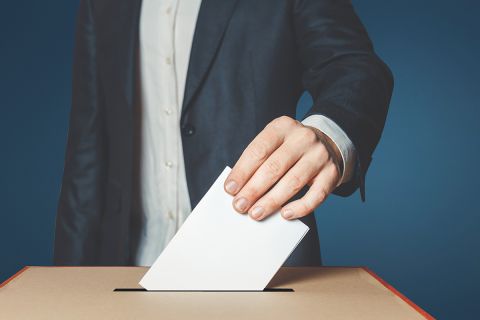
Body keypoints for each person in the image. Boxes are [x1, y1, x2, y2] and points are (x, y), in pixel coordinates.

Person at [54, 0, 393, 266]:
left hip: (262, 269)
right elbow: (88, 150)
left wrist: (329, 133)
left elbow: (354, 67)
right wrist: (66, 290)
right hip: (124, 271)